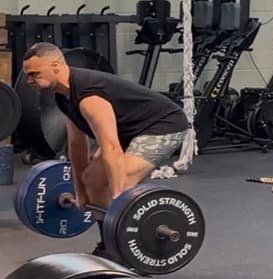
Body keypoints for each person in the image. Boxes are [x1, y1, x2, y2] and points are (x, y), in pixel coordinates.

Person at [20, 44, 192, 214]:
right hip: (128, 131)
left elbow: (111, 147)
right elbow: (77, 145)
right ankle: (107, 231)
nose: (29, 81)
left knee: (121, 180)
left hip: (162, 124)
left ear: (55, 65)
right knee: (92, 180)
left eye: (35, 74)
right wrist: (80, 191)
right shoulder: (63, 97)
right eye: (28, 75)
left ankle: (130, 229)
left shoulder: (88, 96)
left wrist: (118, 199)